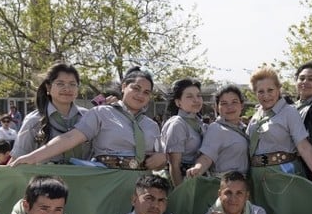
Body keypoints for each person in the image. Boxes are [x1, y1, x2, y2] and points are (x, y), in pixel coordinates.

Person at [11, 67, 167, 171]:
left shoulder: (151, 125)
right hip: (102, 183)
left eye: (147, 92)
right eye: (136, 88)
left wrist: (162, 159)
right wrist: (31, 158)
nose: (140, 95)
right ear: (124, 86)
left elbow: (160, 160)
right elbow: (70, 138)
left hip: (141, 187)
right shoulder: (101, 113)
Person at [246, 67, 312, 192]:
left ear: (278, 89)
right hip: (258, 179)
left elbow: (303, 145)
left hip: (283, 176)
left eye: (270, 90)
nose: (266, 95)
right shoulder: (256, 116)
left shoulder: (289, 112)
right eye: (260, 91)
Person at [11, 63, 90, 163]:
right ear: (48, 87)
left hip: (84, 178)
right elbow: (17, 161)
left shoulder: (88, 117)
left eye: (72, 84)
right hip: (46, 178)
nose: (67, 89)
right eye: (60, 84)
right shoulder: (33, 121)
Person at [186, 85, 250, 177]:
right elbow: (206, 157)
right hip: (226, 185)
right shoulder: (216, 129)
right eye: (224, 103)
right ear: (216, 107)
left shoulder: (245, 128)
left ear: (242, 105)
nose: (229, 107)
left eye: (234, 102)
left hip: (243, 184)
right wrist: (198, 168)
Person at [162, 78, 205, 187]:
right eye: (189, 96)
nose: (196, 100)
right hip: (180, 180)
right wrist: (181, 193)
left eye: (199, 96)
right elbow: (174, 165)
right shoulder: (177, 124)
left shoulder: (199, 123)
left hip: (196, 179)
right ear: (178, 102)